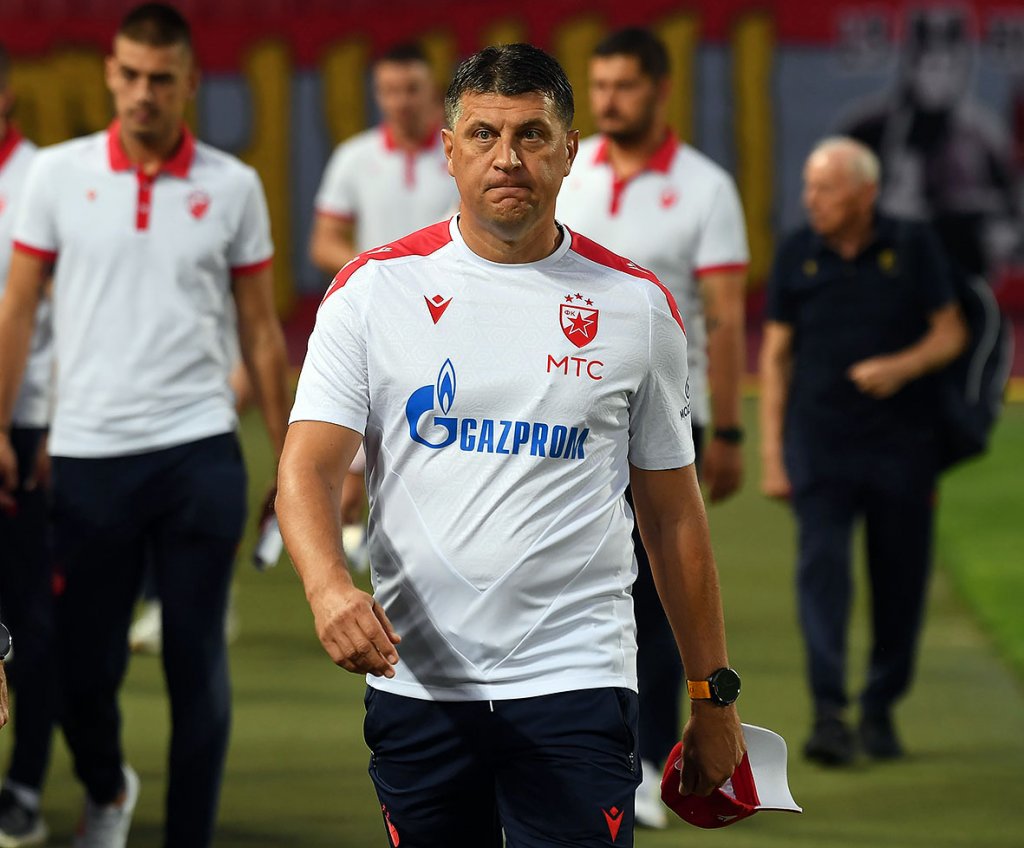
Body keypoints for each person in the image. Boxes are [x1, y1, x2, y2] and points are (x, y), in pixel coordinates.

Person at [278, 43, 744, 848]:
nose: (507, 159)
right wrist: (327, 590)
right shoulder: (371, 290)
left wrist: (712, 696)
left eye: (532, 135)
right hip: (418, 683)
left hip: (578, 678)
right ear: (448, 149)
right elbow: (307, 468)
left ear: (570, 150)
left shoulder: (636, 306)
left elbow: (672, 516)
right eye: (484, 135)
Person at [0, 4, 291, 847]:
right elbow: (18, 308)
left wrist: (291, 463)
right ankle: (107, 786)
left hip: (198, 451)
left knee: (195, 663)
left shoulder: (233, 186)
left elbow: (261, 333)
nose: (142, 93)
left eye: (161, 79)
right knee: (78, 670)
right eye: (129, 74)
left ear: (191, 83)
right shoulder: (58, 176)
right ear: (109, 74)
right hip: (87, 455)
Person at [556, 27, 749, 827]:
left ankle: (646, 757)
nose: (607, 100)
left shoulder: (705, 188)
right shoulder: (566, 171)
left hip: (668, 420)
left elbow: (726, 317)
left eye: (623, 85)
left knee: (655, 591)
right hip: (571, 417)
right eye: (598, 85)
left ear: (660, 89)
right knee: (575, 584)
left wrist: (729, 430)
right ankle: (572, 750)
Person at [759, 137, 967, 766]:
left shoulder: (912, 245)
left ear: (865, 193)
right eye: (808, 186)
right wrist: (772, 453)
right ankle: (829, 713)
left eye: (825, 188)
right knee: (822, 577)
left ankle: (879, 708)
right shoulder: (798, 252)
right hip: (820, 444)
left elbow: (951, 333)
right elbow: (775, 356)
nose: (810, 199)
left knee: (900, 582)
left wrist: (901, 367)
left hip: (903, 448)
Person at [310, 42, 458, 567]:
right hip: (379, 321)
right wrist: (384, 274)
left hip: (451, 316)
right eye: (389, 90)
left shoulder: (462, 153)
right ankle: (356, 554)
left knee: (444, 440)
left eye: (411, 89)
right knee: (354, 455)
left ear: (433, 90)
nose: (401, 101)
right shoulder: (355, 158)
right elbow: (323, 242)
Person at [839, 7, 1022, 282]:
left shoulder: (985, 142)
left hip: (963, 287)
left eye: (950, 65)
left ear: (964, 66)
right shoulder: (869, 132)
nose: (939, 76)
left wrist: (998, 235)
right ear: (911, 65)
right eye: (930, 63)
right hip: (885, 285)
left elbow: (1012, 227)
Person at [0, 43, 58, 847]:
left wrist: (52, 422)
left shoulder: (45, 177)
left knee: (31, 614)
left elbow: (67, 312)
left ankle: (25, 786)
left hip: (30, 423)